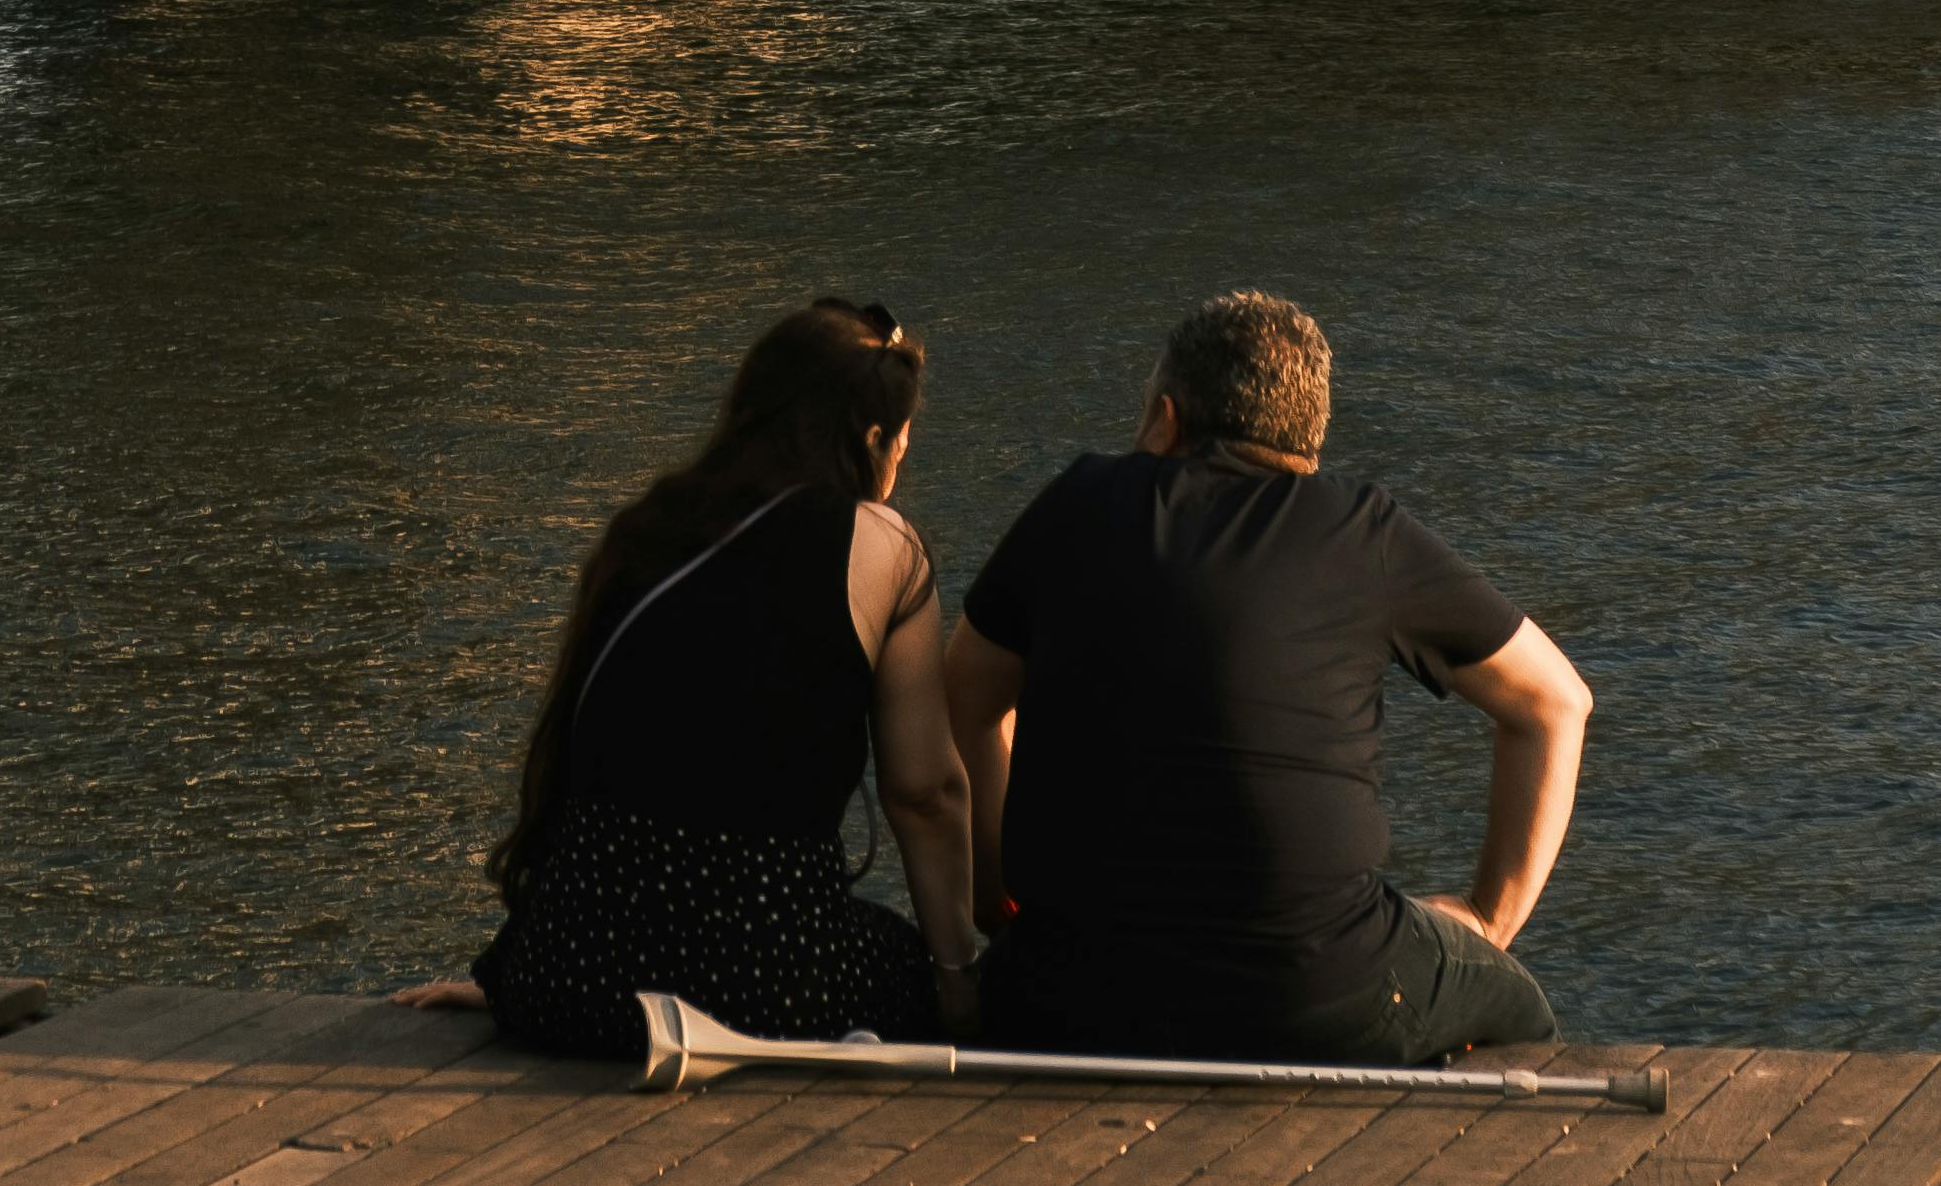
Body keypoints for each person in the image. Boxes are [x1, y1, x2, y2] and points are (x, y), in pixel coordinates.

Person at [945, 288, 1589, 1062]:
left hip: (1068, 984)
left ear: (1167, 417)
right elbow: (1555, 702)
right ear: (1307, 440)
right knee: (1514, 1003)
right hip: (1319, 988)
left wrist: (995, 897)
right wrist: (1490, 917)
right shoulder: (1362, 531)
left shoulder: (1077, 502)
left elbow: (964, 697)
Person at [448, 299, 979, 1052]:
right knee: (901, 967)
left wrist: (519, 965)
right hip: (762, 982)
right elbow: (926, 792)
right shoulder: (882, 542)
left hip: (569, 980)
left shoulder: (647, 527)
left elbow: (572, 757)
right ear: (870, 439)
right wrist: (957, 977)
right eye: (901, 443)